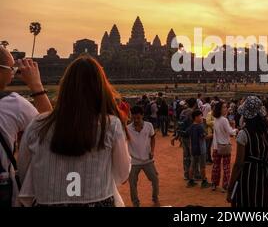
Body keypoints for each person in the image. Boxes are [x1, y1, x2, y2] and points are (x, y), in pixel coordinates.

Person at [18, 56, 130, 206]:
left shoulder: (38, 125)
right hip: (98, 201)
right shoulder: (109, 125)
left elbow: (25, 171)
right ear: (100, 88)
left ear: (65, 87)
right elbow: (122, 174)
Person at [0, 47, 53, 206]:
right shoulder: (13, 104)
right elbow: (49, 127)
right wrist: (36, 85)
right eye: (12, 69)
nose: (13, 73)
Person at [227, 96, 268, 207]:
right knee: (263, 200)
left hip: (249, 175)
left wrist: (230, 188)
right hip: (265, 173)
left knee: (247, 201)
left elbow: (239, 164)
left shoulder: (244, 134)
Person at [127, 105, 159, 207]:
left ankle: (155, 198)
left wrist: (152, 151)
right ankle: (135, 203)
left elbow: (153, 138)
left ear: (142, 115)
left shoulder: (149, 126)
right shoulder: (127, 129)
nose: (136, 120)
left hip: (147, 160)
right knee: (132, 184)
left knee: (155, 180)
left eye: (138, 118)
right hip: (133, 162)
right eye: (134, 118)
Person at [211, 101, 237, 192]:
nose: (226, 109)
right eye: (224, 107)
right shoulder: (224, 120)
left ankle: (214, 184)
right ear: (220, 109)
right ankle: (225, 185)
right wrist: (235, 129)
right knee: (226, 167)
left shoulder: (216, 119)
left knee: (216, 166)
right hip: (225, 145)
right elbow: (230, 132)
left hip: (216, 146)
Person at [186, 110, 211, 188]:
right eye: (200, 116)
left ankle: (190, 181)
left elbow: (187, 134)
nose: (201, 117)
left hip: (193, 148)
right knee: (202, 166)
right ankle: (204, 181)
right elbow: (204, 137)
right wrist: (213, 134)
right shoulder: (200, 127)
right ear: (196, 117)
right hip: (201, 149)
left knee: (192, 165)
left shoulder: (191, 126)